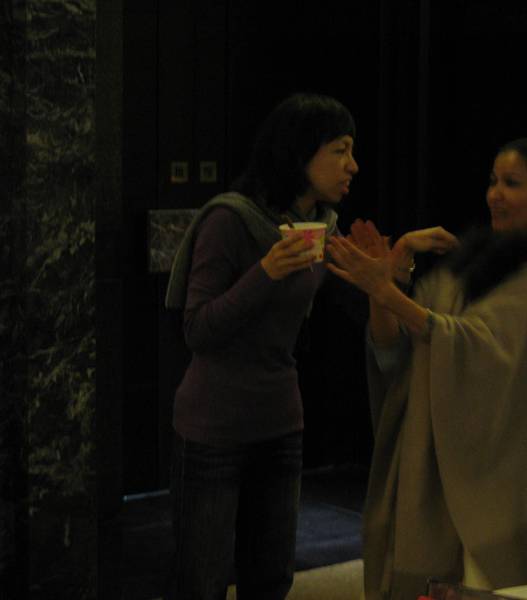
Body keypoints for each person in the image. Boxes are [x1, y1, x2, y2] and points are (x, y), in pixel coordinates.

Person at [326, 138, 527, 600]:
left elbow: (477, 347)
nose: (496, 194)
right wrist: (389, 276)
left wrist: (386, 290)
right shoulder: (462, 269)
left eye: (512, 183)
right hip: (442, 463)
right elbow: (399, 350)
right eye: (493, 181)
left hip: (506, 476)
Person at [163, 92, 359, 600]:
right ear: (299, 153)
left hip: (280, 423)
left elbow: (360, 302)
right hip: (213, 428)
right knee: (201, 581)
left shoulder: (323, 228)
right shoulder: (230, 219)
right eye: (340, 150)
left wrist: (398, 265)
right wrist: (266, 272)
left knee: (271, 579)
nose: (352, 165)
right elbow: (198, 330)